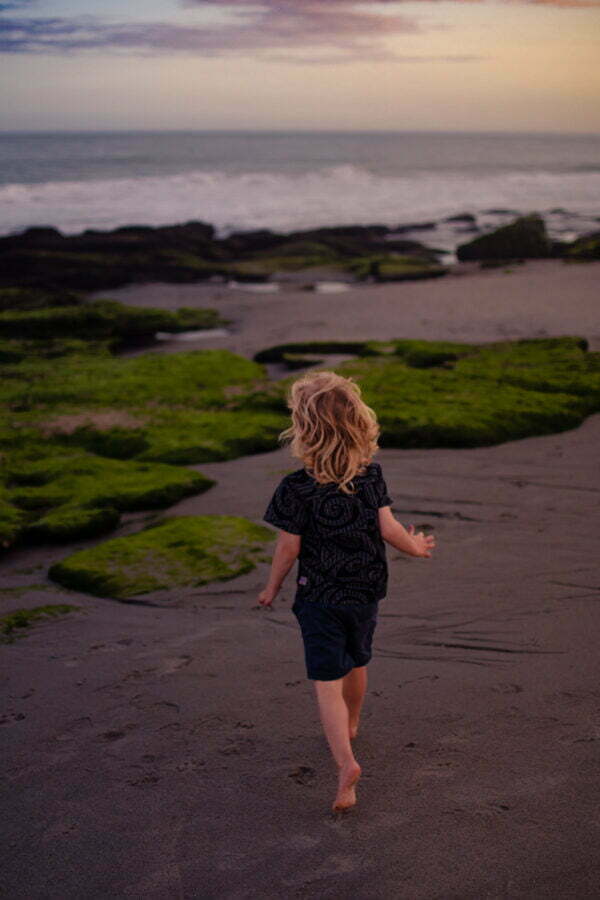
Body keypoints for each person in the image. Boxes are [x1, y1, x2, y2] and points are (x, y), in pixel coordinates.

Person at [258, 371, 435, 812]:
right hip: (366, 590)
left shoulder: (295, 488)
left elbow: (289, 548)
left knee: (326, 680)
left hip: (319, 596)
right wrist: (416, 547)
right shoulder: (371, 476)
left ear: (303, 430)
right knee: (356, 659)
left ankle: (346, 763)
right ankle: (353, 723)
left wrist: (272, 586)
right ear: (359, 425)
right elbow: (389, 528)